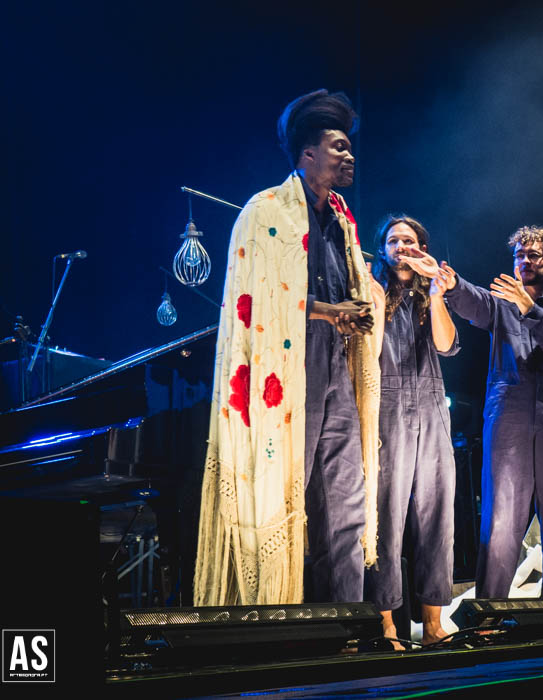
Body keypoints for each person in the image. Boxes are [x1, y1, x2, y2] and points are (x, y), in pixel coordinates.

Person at [194, 89, 385, 606]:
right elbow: (252, 301)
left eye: (349, 148)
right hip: (283, 380)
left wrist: (361, 307)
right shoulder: (266, 212)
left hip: (334, 375)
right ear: (308, 154)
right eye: (338, 147)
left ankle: (349, 622)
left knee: (344, 503)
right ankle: (276, 619)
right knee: (280, 498)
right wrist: (329, 311)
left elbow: (350, 290)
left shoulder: (342, 223)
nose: (349, 156)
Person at [405, 226, 543, 599]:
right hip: (509, 413)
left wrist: (530, 310)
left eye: (533, 255)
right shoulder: (500, 304)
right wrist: (449, 282)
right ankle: (490, 611)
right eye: (519, 255)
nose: (525, 261)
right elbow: (471, 300)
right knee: (501, 514)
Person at [365, 215, 458, 647]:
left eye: (410, 240)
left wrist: (437, 293)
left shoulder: (430, 294)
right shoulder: (372, 289)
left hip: (431, 404)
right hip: (385, 405)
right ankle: (385, 622)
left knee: (438, 517)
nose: (401, 246)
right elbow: (367, 345)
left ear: (422, 247)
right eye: (393, 240)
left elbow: (445, 344)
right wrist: (375, 294)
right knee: (386, 518)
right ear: (382, 248)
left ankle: (433, 624)